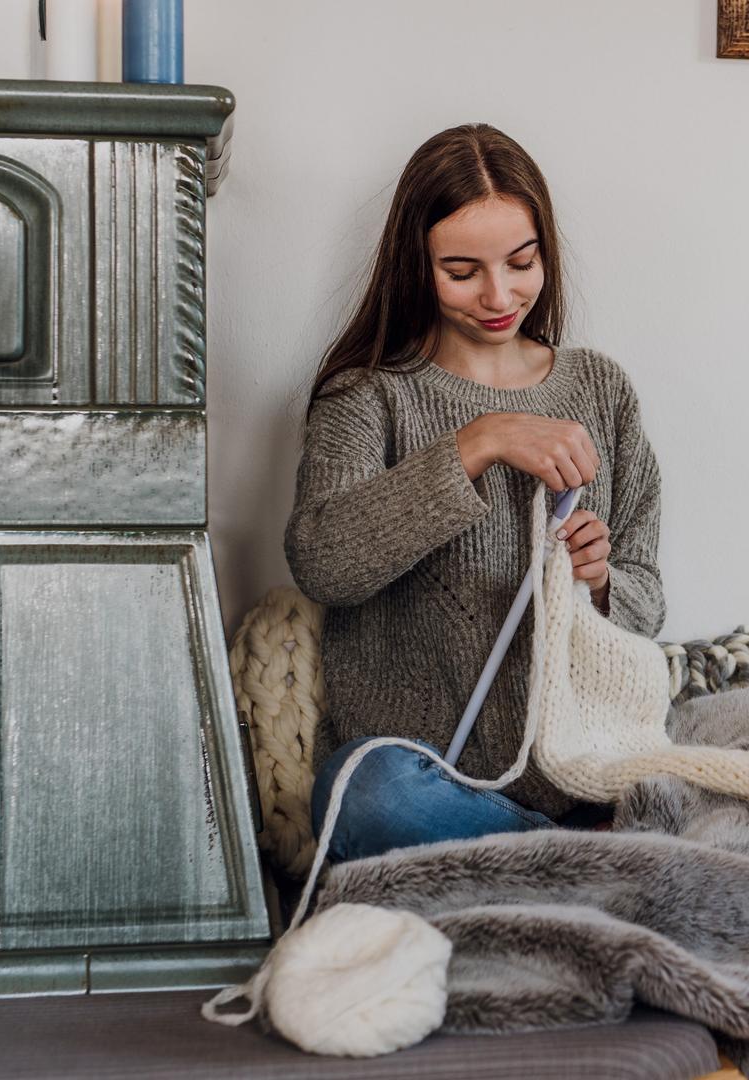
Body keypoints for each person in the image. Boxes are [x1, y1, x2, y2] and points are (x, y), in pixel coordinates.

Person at [285, 124, 665, 862]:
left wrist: (600, 580)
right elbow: (324, 561)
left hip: (578, 771)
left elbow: (647, 601)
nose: (499, 295)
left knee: (706, 780)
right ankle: (587, 861)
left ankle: (545, 856)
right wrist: (477, 443)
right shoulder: (366, 398)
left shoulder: (601, 389)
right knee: (363, 795)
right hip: (425, 781)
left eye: (522, 263)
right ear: (414, 266)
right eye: (462, 271)